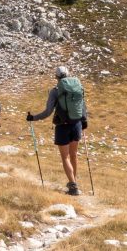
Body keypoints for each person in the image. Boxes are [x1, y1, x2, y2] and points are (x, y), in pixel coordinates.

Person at [26, 66, 88, 196]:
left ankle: (73, 185)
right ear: (68, 74)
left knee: (65, 157)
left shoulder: (55, 91)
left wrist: (33, 118)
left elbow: (48, 112)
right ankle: (73, 182)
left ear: (56, 77)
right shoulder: (77, 87)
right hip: (77, 124)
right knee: (74, 155)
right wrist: (84, 121)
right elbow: (83, 105)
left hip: (63, 126)